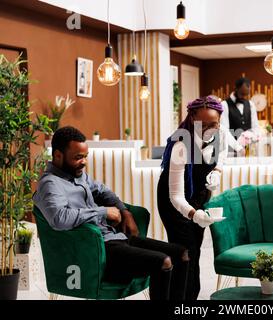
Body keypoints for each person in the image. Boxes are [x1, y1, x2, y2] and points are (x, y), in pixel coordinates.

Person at [33, 126, 189, 300]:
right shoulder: (50, 185)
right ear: (58, 156)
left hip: (116, 238)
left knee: (181, 254)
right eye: (78, 158)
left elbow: (103, 191)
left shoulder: (79, 175)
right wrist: (103, 212)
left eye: (85, 157)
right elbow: (59, 218)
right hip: (97, 251)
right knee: (164, 262)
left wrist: (125, 212)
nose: (83, 162)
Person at [157, 96, 227, 300]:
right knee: (185, 253)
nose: (208, 129)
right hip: (174, 203)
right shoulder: (181, 145)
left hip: (198, 198)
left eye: (213, 124)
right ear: (191, 119)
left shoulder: (220, 133)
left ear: (219, 121)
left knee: (194, 250)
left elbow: (222, 155)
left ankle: (190, 297)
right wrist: (193, 215)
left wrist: (217, 172)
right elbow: (175, 196)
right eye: (202, 124)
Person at [221, 77, 259, 155]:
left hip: (248, 149)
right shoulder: (224, 105)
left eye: (246, 95)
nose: (244, 98)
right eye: (242, 94)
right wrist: (238, 147)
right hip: (231, 150)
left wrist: (252, 138)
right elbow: (225, 130)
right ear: (236, 88)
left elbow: (255, 127)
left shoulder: (251, 104)